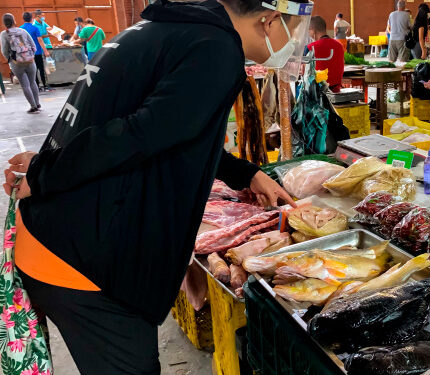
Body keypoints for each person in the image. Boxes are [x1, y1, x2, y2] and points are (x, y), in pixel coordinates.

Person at [3, 0, 306, 372]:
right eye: (294, 30)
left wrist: (246, 174)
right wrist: (45, 172)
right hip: (84, 259)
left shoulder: (171, 30)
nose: (295, 42)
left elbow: (176, 130)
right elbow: (140, 133)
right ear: (269, 20)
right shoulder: (216, 49)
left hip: (56, 237)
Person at [1, 13, 40, 113]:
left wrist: (10, 60)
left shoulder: (4, 34)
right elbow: (33, 46)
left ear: (4, 23)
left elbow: (4, 50)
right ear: (14, 21)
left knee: (25, 85)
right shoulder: (23, 31)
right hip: (30, 60)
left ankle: (33, 106)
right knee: (33, 82)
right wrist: (30, 56)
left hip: (16, 63)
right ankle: (38, 103)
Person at [308, 16, 344, 93]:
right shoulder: (339, 45)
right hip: (335, 90)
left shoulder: (311, 47)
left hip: (317, 92)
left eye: (308, 30)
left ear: (312, 30)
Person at [20, 12, 50, 92]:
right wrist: (45, 51)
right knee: (41, 69)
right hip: (37, 52)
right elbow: (40, 40)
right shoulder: (35, 28)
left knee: (32, 70)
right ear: (31, 19)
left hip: (27, 54)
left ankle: (36, 86)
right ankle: (44, 85)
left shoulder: (20, 29)